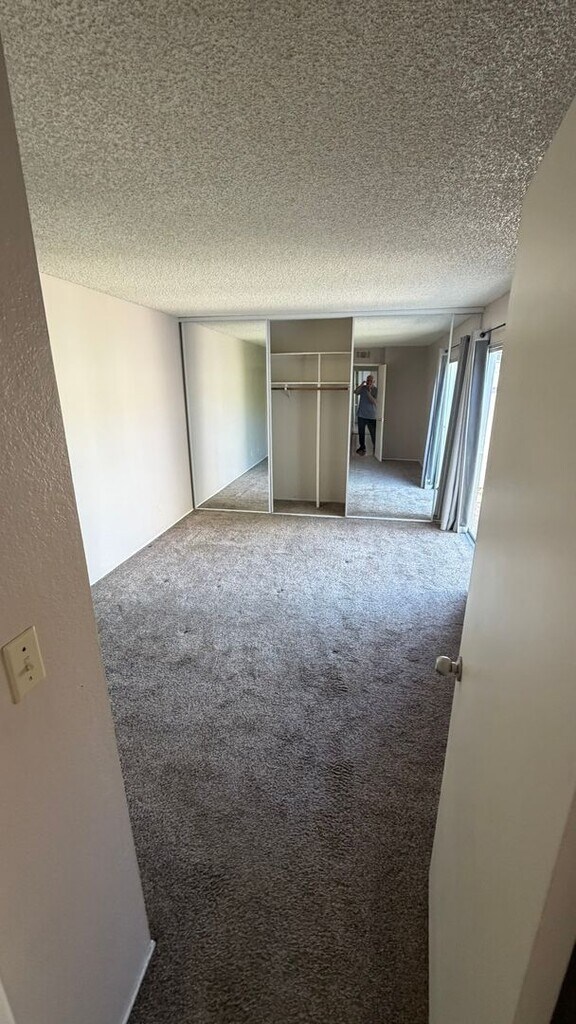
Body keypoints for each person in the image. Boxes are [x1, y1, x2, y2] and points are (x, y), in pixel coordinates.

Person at [354, 375, 378, 455]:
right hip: (361, 415)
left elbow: (374, 402)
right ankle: (362, 447)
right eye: (368, 380)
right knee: (361, 433)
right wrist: (361, 385)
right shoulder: (363, 388)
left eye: (371, 380)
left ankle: (376, 447)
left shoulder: (376, 390)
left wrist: (368, 391)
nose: (369, 382)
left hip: (372, 416)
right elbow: (355, 392)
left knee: (373, 433)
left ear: (374, 381)